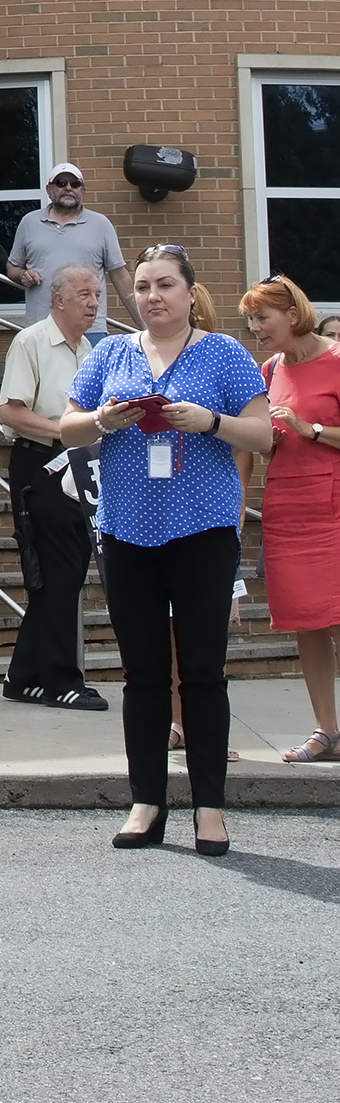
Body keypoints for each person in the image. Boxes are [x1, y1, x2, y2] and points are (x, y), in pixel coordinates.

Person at [58, 242, 270, 855]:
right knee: (143, 675)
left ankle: (210, 809)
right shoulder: (112, 352)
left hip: (202, 532)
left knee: (203, 672)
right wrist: (105, 419)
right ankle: (147, 802)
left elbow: (265, 434)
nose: (152, 296)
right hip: (125, 531)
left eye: (165, 286)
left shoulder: (224, 354)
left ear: (190, 292)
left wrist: (210, 422)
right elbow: (66, 424)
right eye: (144, 286)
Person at [236, 276, 340, 763]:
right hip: (287, 506)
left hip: (334, 505)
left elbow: (311, 429)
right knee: (307, 621)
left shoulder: (338, 359)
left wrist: (311, 429)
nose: (255, 328)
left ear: (293, 315)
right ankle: (326, 731)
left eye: (262, 318)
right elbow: (251, 441)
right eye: (250, 320)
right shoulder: (269, 368)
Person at [0, 262, 108, 711]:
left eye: (97, 295)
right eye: (84, 294)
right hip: (39, 467)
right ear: (58, 299)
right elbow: (10, 412)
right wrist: (66, 431)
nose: (94, 303)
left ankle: (23, 677)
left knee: (65, 574)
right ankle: (62, 680)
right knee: (57, 575)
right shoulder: (32, 341)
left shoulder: (89, 351)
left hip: (79, 470)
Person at [7, 164, 136, 335]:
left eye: (75, 184)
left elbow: (120, 275)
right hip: (42, 329)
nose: (68, 188)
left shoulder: (101, 224)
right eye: (61, 183)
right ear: (49, 189)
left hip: (90, 330)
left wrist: (145, 324)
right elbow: (12, 267)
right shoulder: (29, 223)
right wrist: (23, 275)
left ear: (83, 191)